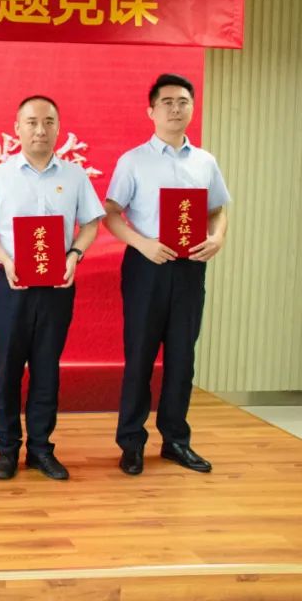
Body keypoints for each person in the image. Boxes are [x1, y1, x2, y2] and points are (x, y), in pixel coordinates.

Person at [0, 95, 103, 481]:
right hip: (11, 285)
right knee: (7, 369)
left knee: (47, 369)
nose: (40, 129)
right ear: (17, 129)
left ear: (58, 128)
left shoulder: (74, 176)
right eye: (31, 122)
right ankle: (7, 449)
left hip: (57, 286)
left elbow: (92, 223)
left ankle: (41, 449)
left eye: (48, 122)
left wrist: (75, 253)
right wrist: (5, 258)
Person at [104, 73, 230, 475]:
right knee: (140, 355)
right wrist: (142, 244)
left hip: (190, 267)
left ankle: (176, 440)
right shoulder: (133, 160)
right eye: (167, 102)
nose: (176, 109)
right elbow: (110, 213)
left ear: (192, 107)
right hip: (147, 266)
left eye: (183, 102)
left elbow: (217, 210)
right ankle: (131, 442)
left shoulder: (205, 161)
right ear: (151, 111)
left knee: (182, 357)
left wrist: (218, 237)